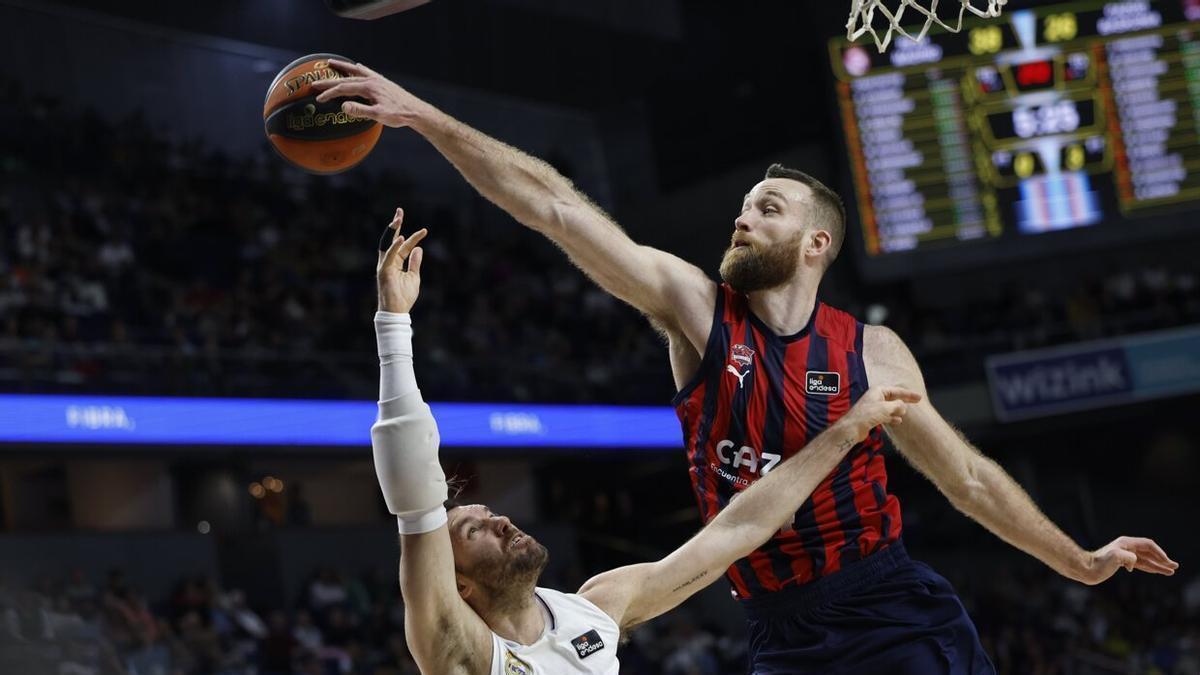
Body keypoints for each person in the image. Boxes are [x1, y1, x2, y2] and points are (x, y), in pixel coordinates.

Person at [316, 64, 1180, 674]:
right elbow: (554, 208)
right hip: (775, 627)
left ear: (815, 244)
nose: (741, 219)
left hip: (886, 602)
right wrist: (422, 116)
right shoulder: (695, 312)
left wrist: (1076, 559)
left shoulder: (871, 353)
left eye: (765, 209)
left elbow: (970, 482)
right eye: (740, 207)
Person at [368, 209, 920, 674]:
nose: (500, 521)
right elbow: (416, 490)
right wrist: (394, 324)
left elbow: (740, 529)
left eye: (486, 513)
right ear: (457, 584)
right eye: (474, 530)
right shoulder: (463, 652)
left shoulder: (598, 608)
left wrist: (845, 430)